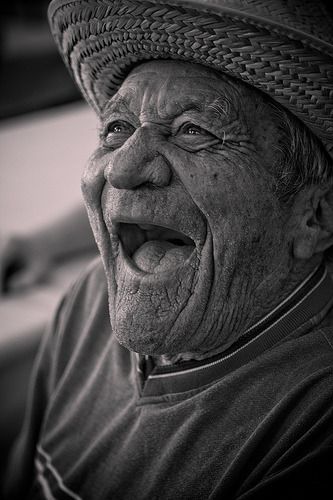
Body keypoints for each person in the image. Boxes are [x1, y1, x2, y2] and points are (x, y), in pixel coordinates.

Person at [3, 0, 333, 498]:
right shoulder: (91, 298)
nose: (121, 168)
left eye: (194, 132)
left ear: (316, 216)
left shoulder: (312, 421)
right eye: (117, 128)